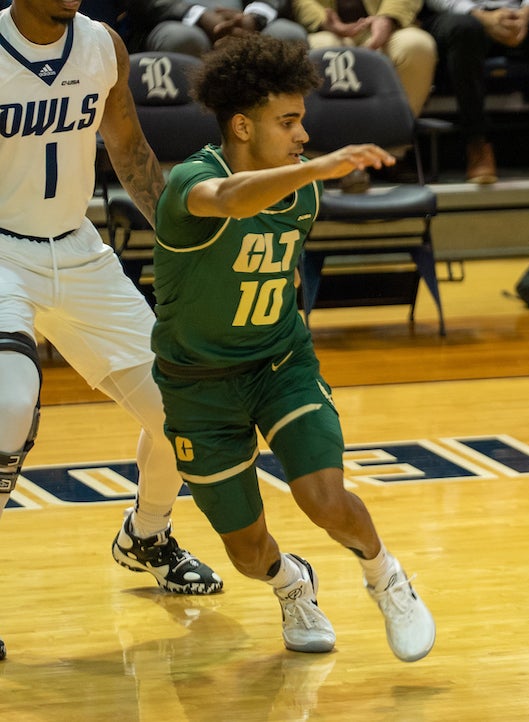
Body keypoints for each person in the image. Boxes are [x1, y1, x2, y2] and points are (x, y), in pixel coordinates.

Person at [149, 33, 435, 658]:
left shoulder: (303, 189)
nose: (304, 135)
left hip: (280, 364)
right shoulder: (192, 184)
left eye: (303, 121)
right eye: (289, 122)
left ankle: (386, 577)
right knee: (247, 551)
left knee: (324, 499)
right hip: (198, 383)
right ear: (243, 126)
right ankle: (290, 585)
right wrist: (317, 167)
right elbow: (230, 199)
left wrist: (309, 172)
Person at [0, 0, 224, 662]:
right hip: (1, 252)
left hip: (76, 248)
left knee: (179, 410)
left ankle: (148, 534)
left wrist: (186, 247)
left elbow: (127, 147)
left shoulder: (104, 46)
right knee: (8, 406)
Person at [422, 0, 529, 183]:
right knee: (464, 29)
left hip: (520, 16)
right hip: (462, 16)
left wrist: (527, 12)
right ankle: (477, 143)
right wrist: (480, 15)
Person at [292, 0, 437, 119]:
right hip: (326, 30)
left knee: (416, 46)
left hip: (389, 25)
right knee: (323, 50)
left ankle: (394, 141)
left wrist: (388, 18)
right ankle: (328, 146)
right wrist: (322, 19)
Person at [123, 0, 308, 57]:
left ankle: (285, 130)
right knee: (183, 39)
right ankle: (189, 131)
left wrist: (254, 17)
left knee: (289, 35)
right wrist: (198, 16)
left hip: (246, 18)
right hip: (174, 18)